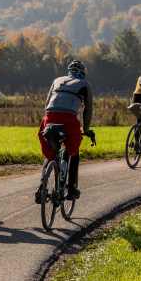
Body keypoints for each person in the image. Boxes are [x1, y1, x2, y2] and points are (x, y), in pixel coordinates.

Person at [39, 60, 96, 200]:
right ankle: (71, 188)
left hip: (49, 117)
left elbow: (47, 103)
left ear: (69, 71)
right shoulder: (85, 84)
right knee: (74, 151)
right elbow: (88, 110)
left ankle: (42, 187)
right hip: (69, 118)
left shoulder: (57, 80)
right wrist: (86, 129)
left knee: (50, 153)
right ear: (83, 73)